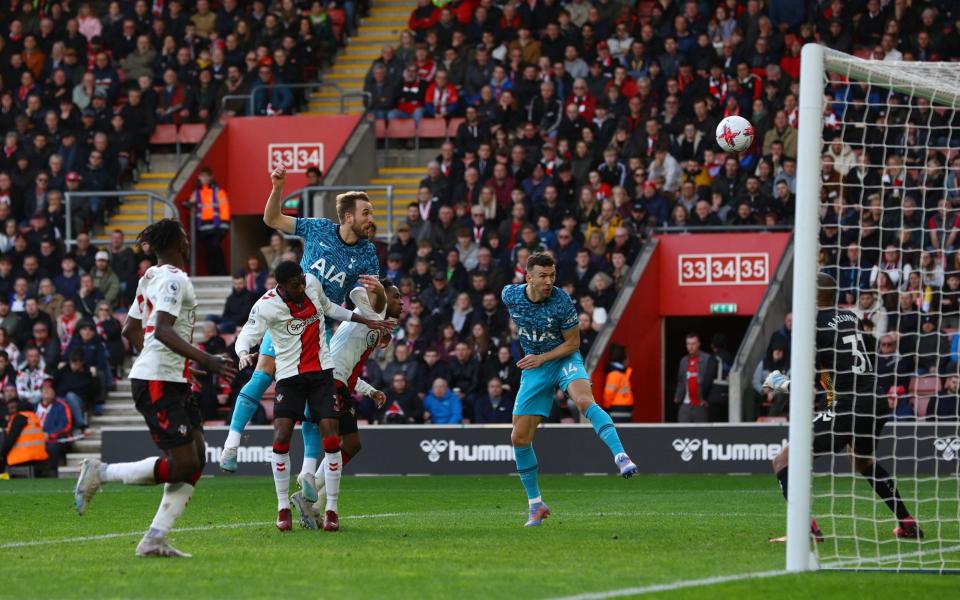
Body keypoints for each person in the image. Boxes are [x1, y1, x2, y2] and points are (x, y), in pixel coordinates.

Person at [73, 218, 238, 558]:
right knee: (181, 464)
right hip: (158, 381)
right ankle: (101, 472)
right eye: (184, 237)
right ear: (179, 243)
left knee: (196, 459)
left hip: (170, 378)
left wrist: (179, 363)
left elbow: (130, 330)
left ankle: (154, 539)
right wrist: (205, 360)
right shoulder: (174, 280)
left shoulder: (150, 276)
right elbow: (161, 330)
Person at [220, 166, 380, 483]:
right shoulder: (318, 228)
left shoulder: (368, 253)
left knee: (312, 402)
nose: (370, 217)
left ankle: (306, 475)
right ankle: (231, 444)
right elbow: (273, 220)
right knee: (264, 371)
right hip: (286, 315)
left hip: (321, 329)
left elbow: (365, 299)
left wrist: (375, 304)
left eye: (371, 212)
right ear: (348, 216)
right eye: (365, 212)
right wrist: (277, 187)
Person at [234, 261, 390, 532]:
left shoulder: (312, 284)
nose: (302, 287)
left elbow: (330, 309)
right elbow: (247, 333)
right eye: (295, 285)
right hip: (289, 377)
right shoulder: (266, 305)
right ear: (280, 286)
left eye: (302, 281)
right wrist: (243, 353)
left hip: (321, 374)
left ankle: (331, 509)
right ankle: (283, 507)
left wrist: (364, 319)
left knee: (331, 436)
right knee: (281, 436)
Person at [766, 273, 922, 542]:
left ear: (812, 294)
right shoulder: (850, 317)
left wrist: (781, 383)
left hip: (849, 404)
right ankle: (906, 522)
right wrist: (829, 390)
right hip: (875, 401)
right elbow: (831, 369)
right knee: (861, 461)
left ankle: (805, 529)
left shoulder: (812, 323)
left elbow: (807, 380)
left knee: (783, 460)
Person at [502, 252, 636, 527]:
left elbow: (573, 344)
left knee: (584, 401)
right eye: (543, 276)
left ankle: (620, 455)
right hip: (535, 368)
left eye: (552, 275)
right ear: (528, 277)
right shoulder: (510, 295)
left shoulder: (561, 301)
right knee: (519, 438)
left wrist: (541, 356)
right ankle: (536, 505)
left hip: (562, 359)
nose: (549, 281)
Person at [289, 278, 403, 529]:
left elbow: (348, 364)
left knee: (351, 444)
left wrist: (370, 390)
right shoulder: (366, 311)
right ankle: (324, 507)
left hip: (337, 381)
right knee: (338, 446)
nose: (401, 301)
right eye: (396, 296)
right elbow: (354, 292)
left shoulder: (375, 320)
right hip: (330, 382)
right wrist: (380, 293)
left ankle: (312, 495)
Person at [193, 167, 231, 275]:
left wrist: (224, 226)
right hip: (203, 228)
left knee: (215, 248)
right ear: (199, 177)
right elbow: (190, 201)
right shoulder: (197, 192)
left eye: (206, 176)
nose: (204, 178)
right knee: (208, 251)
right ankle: (212, 273)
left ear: (211, 177)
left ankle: (221, 272)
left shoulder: (218, 191)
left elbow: (224, 208)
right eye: (202, 176)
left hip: (216, 227)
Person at [673, 333, 716, 423]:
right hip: (686, 403)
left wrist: (707, 399)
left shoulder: (707, 359)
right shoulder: (684, 361)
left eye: (693, 344)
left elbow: (711, 381)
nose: (690, 347)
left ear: (699, 344)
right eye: (688, 344)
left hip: (701, 404)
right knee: (683, 432)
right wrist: (677, 396)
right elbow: (681, 380)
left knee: (702, 434)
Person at [0, 395, 49, 476]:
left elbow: (10, 440)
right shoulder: (34, 417)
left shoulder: (20, 418)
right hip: (40, 458)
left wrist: (2, 455)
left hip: (23, 458)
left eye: (12, 408)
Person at [36, 377, 72, 477]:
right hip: (36, 439)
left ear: (54, 391)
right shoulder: (34, 407)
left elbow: (66, 425)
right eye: (44, 389)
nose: (46, 391)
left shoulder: (62, 406)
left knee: (52, 447)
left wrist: (49, 434)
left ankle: (52, 473)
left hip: (56, 439)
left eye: (49, 388)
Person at [601, 344, 634, 422]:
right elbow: (608, 394)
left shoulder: (620, 373)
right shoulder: (614, 374)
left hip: (622, 410)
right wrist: (606, 409)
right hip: (618, 411)